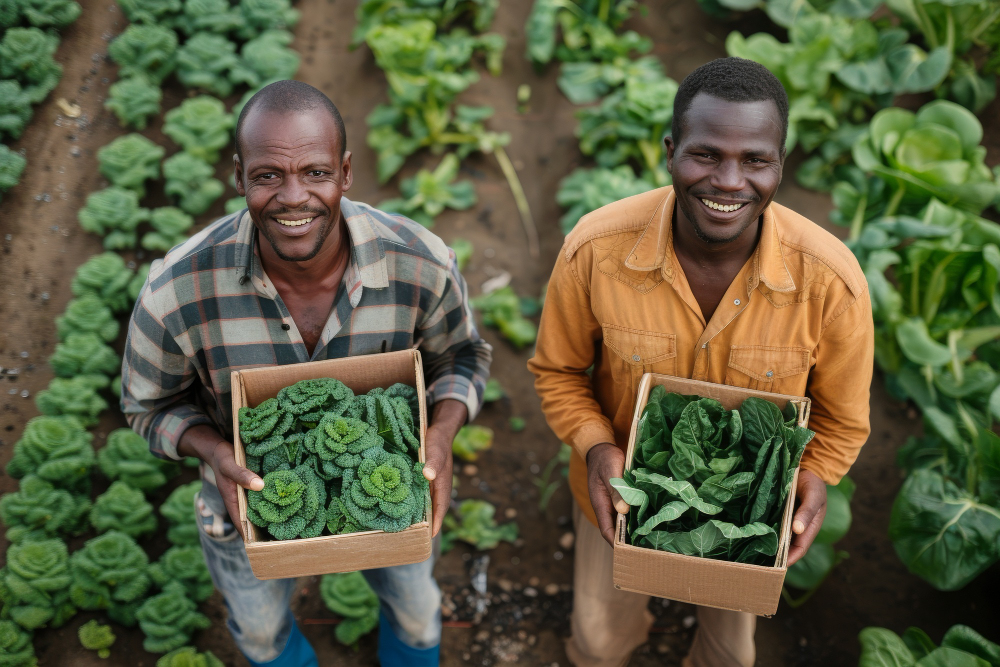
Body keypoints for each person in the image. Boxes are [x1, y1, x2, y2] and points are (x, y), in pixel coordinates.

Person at [121, 80, 492, 667]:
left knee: (420, 617)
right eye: (268, 175)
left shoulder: (420, 263)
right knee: (262, 634)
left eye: (315, 173)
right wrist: (215, 453)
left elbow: (463, 358)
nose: (293, 197)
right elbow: (148, 407)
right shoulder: (177, 292)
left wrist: (440, 435)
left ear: (345, 173)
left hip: (395, 487)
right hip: (246, 503)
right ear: (238, 177)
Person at [528, 57, 874, 667]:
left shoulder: (830, 283)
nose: (729, 181)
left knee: (730, 656)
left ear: (779, 166)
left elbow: (843, 422)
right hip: (621, 496)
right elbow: (558, 372)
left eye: (755, 160)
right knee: (597, 641)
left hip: (748, 516)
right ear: (670, 151)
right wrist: (596, 448)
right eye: (706, 154)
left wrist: (813, 477)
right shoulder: (596, 250)